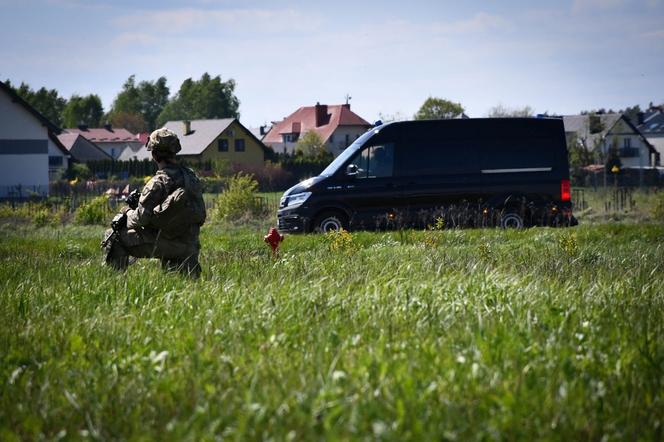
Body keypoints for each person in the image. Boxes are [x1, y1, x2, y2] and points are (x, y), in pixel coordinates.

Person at [104, 128, 206, 278]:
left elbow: (140, 219)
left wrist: (127, 213)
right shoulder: (191, 177)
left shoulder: (157, 182)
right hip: (191, 245)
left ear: (154, 154)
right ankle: (183, 271)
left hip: (169, 244)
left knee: (113, 236)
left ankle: (114, 282)